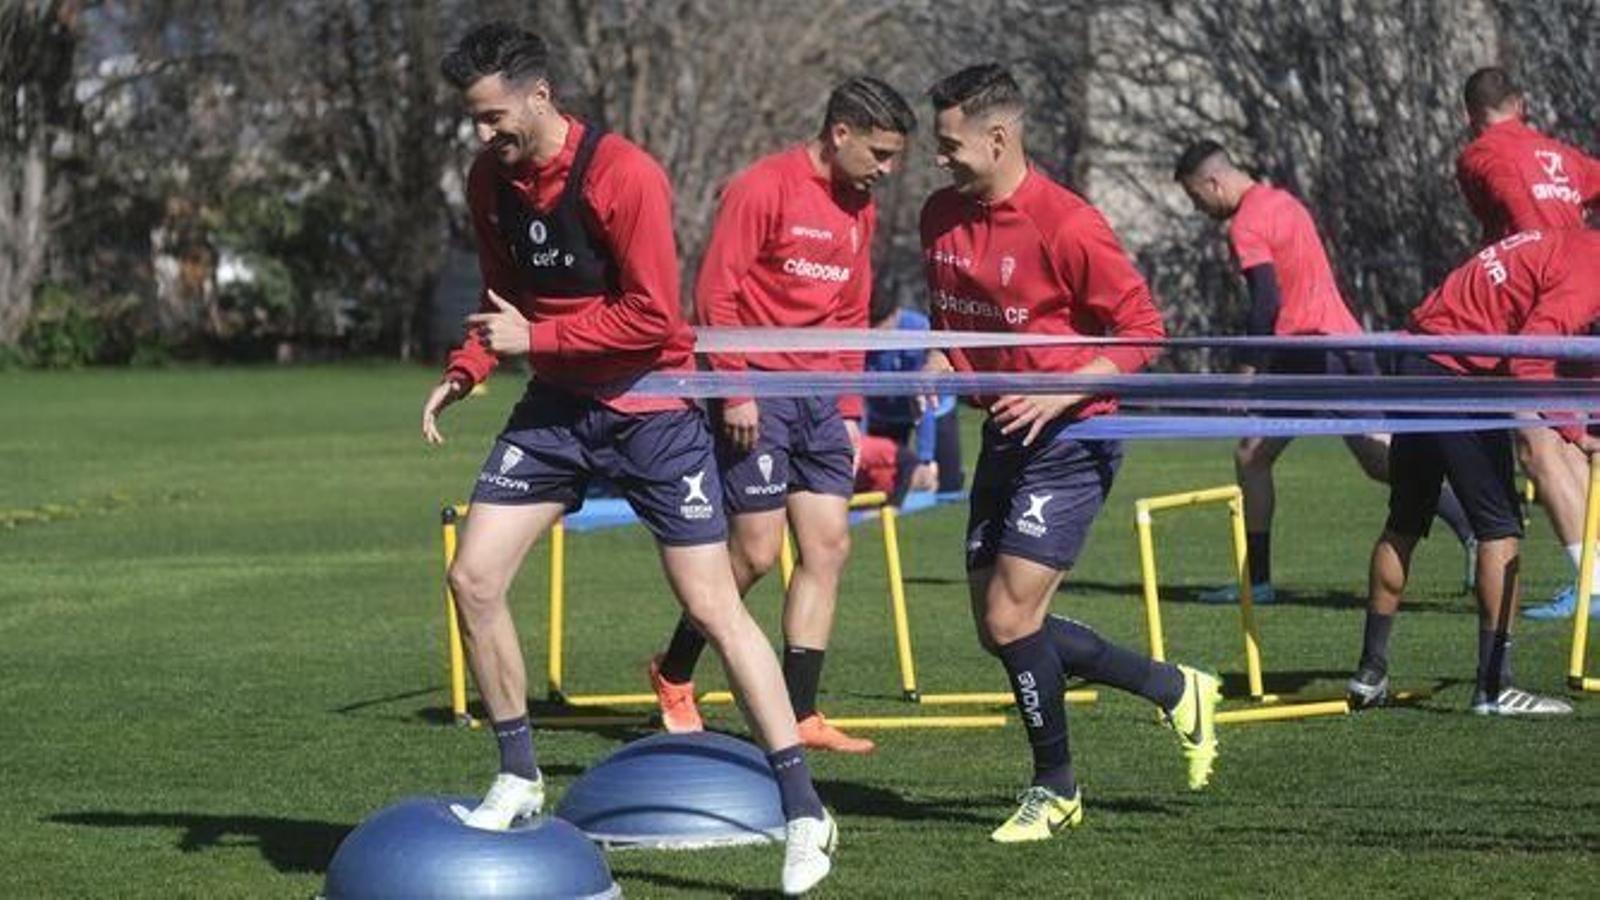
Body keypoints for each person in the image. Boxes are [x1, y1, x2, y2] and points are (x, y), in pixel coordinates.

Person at [421, 23, 833, 894]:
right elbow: (502, 301)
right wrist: (469, 368)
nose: (483, 133)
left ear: (539, 95)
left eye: (494, 115)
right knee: (474, 578)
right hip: (558, 410)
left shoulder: (623, 174)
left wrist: (536, 334)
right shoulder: (487, 182)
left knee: (714, 605)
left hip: (651, 409)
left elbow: (654, 317)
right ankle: (517, 773)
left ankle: (804, 813)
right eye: (473, 119)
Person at [920, 63, 1220, 843]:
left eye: (950, 144)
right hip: (1003, 431)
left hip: (1074, 434)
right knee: (1000, 626)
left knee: (1012, 612)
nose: (940, 157)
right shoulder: (938, 217)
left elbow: (1142, 332)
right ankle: (1173, 685)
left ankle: (1056, 789)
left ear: (999, 136)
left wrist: (1060, 392)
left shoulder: (1068, 222)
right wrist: (941, 358)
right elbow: (953, 322)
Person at [648, 77, 917, 755]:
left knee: (829, 545)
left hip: (823, 398)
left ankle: (799, 714)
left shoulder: (862, 207)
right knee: (757, 553)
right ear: (840, 135)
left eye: (895, 156)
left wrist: (853, 407)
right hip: (757, 389)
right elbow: (716, 293)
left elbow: (852, 313)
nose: (887, 169)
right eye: (879, 152)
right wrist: (734, 389)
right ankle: (674, 671)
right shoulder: (761, 187)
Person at [1174, 140, 1475, 603]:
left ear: (1213, 182)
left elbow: (1266, 303)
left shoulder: (1247, 223)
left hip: (1309, 350)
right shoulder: (1283, 202)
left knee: (1254, 456)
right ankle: (1472, 528)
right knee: (1376, 460)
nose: (1200, 208)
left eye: (1197, 198)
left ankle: (1258, 583)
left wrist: (1247, 370)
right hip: (1344, 343)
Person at [1346, 228, 1600, 717]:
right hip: (1455, 374)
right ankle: (1494, 688)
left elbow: (1567, 352)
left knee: (1406, 519)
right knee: (1500, 526)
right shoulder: (1589, 270)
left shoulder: (1570, 244)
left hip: (1417, 358)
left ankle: (1368, 674)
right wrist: (1576, 432)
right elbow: (1530, 360)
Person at [1455, 66, 1600, 620]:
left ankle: (1590, 582)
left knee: (1537, 443)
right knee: (1574, 441)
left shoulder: (1478, 156)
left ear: (1471, 116)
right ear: (1522, 104)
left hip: (1539, 298)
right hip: (1584, 297)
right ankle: (1595, 569)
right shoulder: (1558, 153)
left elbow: (1516, 222)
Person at [863, 292, 966, 496]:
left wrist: (926, 459)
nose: (876, 334)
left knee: (948, 485)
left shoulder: (919, 329)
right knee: (881, 486)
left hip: (934, 408)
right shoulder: (860, 332)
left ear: (895, 315)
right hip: (883, 415)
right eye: (871, 326)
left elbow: (923, 401)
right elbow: (856, 393)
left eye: (881, 326)